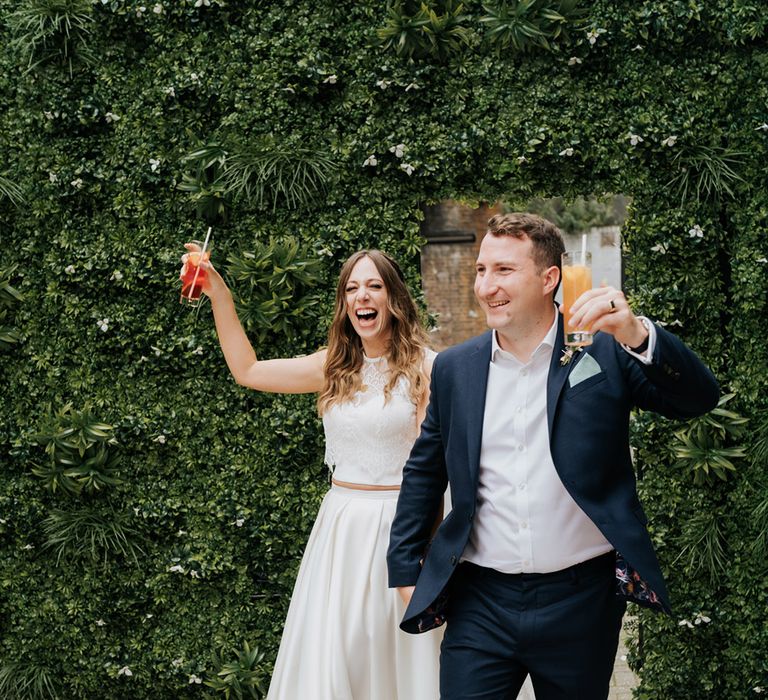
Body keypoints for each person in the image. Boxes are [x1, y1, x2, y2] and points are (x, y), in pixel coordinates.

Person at [387, 213, 719, 700]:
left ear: (549, 278)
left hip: (582, 602)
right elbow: (424, 470)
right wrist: (403, 569)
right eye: (481, 270)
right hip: (481, 601)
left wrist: (636, 333)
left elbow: (698, 397)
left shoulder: (603, 354)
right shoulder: (456, 368)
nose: (485, 286)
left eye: (503, 270)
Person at [181, 244, 442, 699]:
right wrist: (219, 295)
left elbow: (436, 469)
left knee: (401, 656)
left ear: (394, 299)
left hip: (402, 527)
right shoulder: (333, 366)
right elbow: (248, 370)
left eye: (374, 286)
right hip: (341, 529)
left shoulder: (427, 368)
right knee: (340, 658)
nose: (363, 296)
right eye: (352, 288)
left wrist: (428, 547)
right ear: (344, 304)